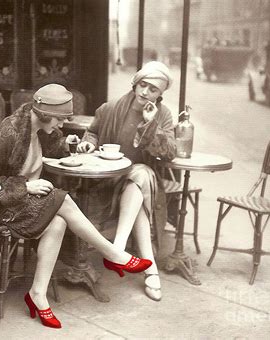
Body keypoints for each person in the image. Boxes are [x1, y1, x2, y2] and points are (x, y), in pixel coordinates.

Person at [0, 84, 152, 329]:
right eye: (59, 120)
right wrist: (25, 187)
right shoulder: (8, 132)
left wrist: (67, 143)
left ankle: (37, 295)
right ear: (43, 113)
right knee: (61, 198)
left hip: (22, 202)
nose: (61, 126)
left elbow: (49, 147)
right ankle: (113, 254)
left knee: (60, 219)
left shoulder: (38, 127)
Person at [77, 61, 177, 302]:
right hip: (108, 181)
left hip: (143, 180)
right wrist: (88, 142)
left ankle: (117, 249)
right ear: (135, 83)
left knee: (141, 173)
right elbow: (92, 132)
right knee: (138, 196)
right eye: (143, 85)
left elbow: (170, 152)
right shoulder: (110, 108)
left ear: (160, 94)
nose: (145, 92)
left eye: (153, 89)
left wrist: (151, 124)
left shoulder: (162, 114)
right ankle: (150, 269)